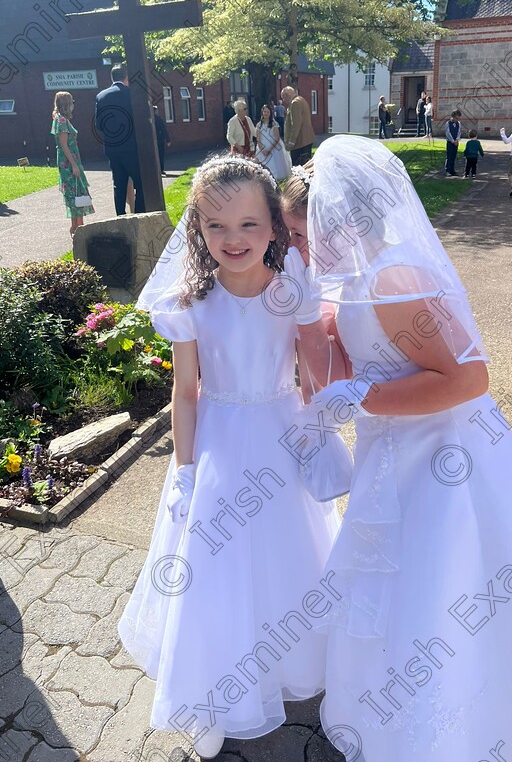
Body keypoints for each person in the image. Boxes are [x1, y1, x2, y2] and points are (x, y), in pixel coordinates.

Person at [282, 134, 512, 762]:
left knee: (444, 578)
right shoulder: (356, 278)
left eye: (304, 233)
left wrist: (365, 399)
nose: (300, 247)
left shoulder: (393, 278)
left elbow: (467, 379)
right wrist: (310, 320)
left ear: (340, 221)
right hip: (391, 454)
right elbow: (341, 371)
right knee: (400, 582)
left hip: (440, 458)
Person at [118, 155, 345, 759]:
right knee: (213, 564)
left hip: (279, 434)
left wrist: (319, 426)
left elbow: (309, 371)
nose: (233, 239)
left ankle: (295, 660)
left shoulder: (292, 287)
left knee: (288, 552)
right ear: (197, 229)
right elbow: (185, 392)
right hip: (218, 440)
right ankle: (220, 690)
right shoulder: (191, 300)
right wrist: (184, 470)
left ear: (274, 226)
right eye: (215, 226)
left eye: (248, 224)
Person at [95, 64, 145, 216]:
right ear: (126, 78)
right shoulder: (131, 94)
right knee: (140, 182)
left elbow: (98, 125)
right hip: (131, 147)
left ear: (112, 78)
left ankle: (120, 215)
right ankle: (139, 213)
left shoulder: (101, 96)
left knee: (119, 184)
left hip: (112, 148)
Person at [50, 91, 94, 237]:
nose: (74, 104)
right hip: (68, 163)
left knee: (75, 193)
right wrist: (74, 165)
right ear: (66, 104)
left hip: (69, 161)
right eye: (72, 102)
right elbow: (64, 145)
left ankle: (76, 226)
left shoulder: (59, 119)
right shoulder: (61, 121)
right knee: (76, 193)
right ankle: (78, 228)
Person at [281, 86, 315, 166]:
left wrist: (291, 142)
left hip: (300, 142)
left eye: (283, 97)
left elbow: (296, 124)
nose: (283, 100)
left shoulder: (295, 103)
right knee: (306, 166)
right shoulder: (302, 100)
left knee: (298, 168)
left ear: (287, 95)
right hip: (306, 140)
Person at [255, 104, 291, 181]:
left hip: (273, 146)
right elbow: (258, 138)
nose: (266, 113)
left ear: (270, 113)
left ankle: (276, 177)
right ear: (262, 112)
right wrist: (262, 149)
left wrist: (269, 149)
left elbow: (277, 138)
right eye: (264, 111)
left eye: (268, 112)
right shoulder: (259, 125)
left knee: (275, 163)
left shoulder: (274, 124)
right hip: (262, 146)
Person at [153, 105, 171, 176]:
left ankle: (155, 170)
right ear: (156, 111)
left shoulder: (147, 119)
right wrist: (168, 140)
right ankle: (161, 169)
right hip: (159, 140)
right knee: (160, 155)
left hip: (151, 142)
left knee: (153, 156)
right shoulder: (158, 119)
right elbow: (164, 129)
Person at [444, 109, 462, 176]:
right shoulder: (448, 123)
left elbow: (459, 132)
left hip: (456, 142)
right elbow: (447, 133)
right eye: (456, 118)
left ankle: (452, 170)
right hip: (450, 142)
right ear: (453, 117)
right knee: (449, 156)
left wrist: (457, 140)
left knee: (454, 156)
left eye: (458, 118)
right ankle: (447, 170)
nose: (457, 120)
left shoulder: (458, 124)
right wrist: (452, 140)